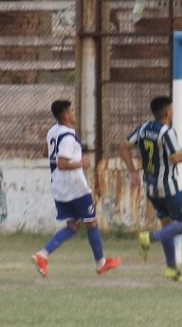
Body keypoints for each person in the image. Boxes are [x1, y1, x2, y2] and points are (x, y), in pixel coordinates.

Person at [32, 100, 122, 277]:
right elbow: (63, 163)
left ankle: (43, 254)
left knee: (73, 226)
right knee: (91, 222)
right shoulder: (67, 136)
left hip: (59, 186)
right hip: (74, 187)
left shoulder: (53, 131)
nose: (74, 113)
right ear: (66, 115)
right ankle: (101, 263)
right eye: (72, 110)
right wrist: (81, 162)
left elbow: (46, 153)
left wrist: (75, 152)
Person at [120, 96, 182, 283]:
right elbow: (176, 158)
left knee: (168, 225)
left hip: (151, 188)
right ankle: (150, 237)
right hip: (169, 189)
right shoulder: (166, 132)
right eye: (172, 110)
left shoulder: (143, 128)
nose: (173, 113)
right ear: (167, 113)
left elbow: (124, 147)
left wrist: (133, 172)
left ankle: (171, 269)